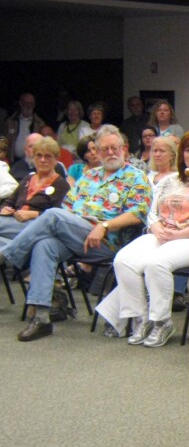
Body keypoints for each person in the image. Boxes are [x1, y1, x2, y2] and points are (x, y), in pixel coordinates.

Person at [0, 125, 151, 342]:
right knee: (45, 245)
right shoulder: (89, 177)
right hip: (76, 235)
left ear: (124, 149)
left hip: (109, 243)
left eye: (114, 148)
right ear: (97, 153)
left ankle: (7, 254)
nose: (110, 153)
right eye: (105, 149)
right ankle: (42, 318)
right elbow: (68, 207)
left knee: (52, 215)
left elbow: (137, 214)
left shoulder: (136, 177)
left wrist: (104, 226)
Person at [97, 130, 189, 347]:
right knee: (123, 260)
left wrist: (179, 234)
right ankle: (140, 318)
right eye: (188, 150)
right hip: (162, 233)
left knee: (156, 264)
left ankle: (162, 322)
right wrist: (156, 227)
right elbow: (152, 211)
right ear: (182, 154)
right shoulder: (171, 180)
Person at [0, 136, 71, 244]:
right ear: (33, 158)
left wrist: (32, 214)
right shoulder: (28, 178)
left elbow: (59, 217)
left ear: (56, 160)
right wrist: (5, 208)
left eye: (48, 156)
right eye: (39, 156)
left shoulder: (61, 185)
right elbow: (9, 201)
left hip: (37, 226)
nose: (42, 160)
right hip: (14, 222)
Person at [5, 92, 46, 162]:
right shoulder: (10, 121)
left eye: (31, 103)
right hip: (13, 161)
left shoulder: (40, 124)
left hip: (33, 161)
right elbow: (4, 141)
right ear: (20, 104)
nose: (28, 106)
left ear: (34, 105)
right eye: (26, 103)